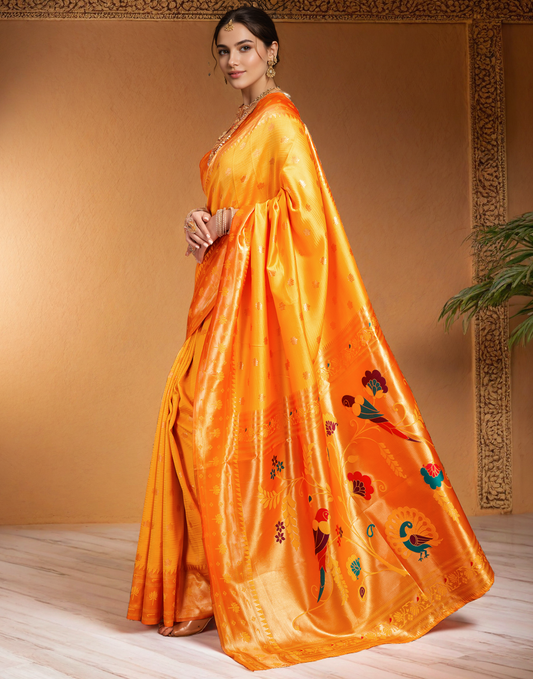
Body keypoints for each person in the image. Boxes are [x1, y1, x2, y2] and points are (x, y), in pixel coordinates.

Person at [127, 6, 494, 671]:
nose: (232, 60)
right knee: (190, 419)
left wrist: (234, 222)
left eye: (245, 47)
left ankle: (261, 587)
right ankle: (210, 589)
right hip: (228, 301)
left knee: (213, 427)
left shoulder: (282, 123)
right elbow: (229, 213)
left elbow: (308, 220)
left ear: (272, 51)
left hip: (266, 312)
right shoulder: (239, 128)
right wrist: (203, 226)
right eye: (223, 51)